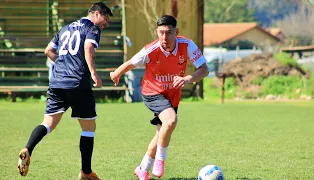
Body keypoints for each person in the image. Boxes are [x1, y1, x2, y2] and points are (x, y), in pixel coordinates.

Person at [17, 2, 112, 180]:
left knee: (48, 123)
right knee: (88, 128)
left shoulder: (65, 28)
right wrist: (93, 73)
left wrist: (63, 64)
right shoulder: (92, 28)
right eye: (105, 19)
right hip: (78, 84)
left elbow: (48, 50)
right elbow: (88, 47)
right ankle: (86, 172)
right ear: (97, 13)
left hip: (57, 83)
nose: (105, 24)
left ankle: (28, 148)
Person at [110, 15, 209, 179]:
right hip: (152, 92)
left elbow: (204, 69)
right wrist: (115, 74)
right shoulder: (151, 49)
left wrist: (187, 79)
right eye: (161, 33)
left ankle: (142, 168)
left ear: (176, 32)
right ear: (157, 32)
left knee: (161, 134)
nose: (164, 37)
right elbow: (131, 63)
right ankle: (160, 160)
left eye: (169, 33)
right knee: (170, 121)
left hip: (172, 95)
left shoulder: (187, 45)